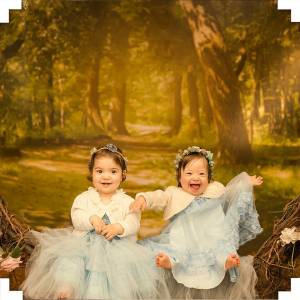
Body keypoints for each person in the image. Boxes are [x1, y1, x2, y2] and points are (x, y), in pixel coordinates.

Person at [21, 144, 169, 300]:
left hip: (117, 248)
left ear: (122, 175)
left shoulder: (127, 201)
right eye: (99, 171)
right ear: (91, 174)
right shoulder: (83, 198)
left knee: (118, 273)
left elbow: (133, 222)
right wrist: (91, 219)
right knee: (72, 260)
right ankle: (67, 289)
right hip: (84, 244)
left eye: (113, 171)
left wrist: (120, 227)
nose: (106, 176)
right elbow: (77, 217)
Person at [130, 145, 263, 299]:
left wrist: (245, 182)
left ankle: (224, 262)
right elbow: (159, 197)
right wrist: (144, 198)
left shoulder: (215, 190)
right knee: (177, 249)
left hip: (211, 235)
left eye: (201, 174)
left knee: (219, 249)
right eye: (189, 173)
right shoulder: (174, 193)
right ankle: (171, 262)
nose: (195, 177)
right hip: (185, 237)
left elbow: (231, 193)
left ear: (209, 177)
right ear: (180, 177)